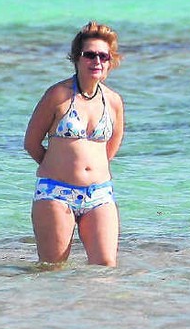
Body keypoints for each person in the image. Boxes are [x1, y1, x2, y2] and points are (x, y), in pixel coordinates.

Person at [24, 21, 125, 266]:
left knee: (105, 269)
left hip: (100, 194)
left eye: (104, 56)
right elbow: (31, 142)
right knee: (53, 270)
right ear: (76, 59)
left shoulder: (113, 101)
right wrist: (60, 167)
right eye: (89, 55)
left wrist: (91, 170)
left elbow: (111, 146)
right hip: (56, 193)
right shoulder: (57, 95)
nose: (97, 61)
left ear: (111, 61)